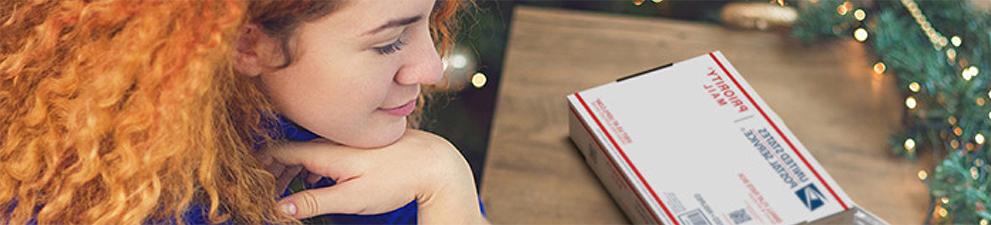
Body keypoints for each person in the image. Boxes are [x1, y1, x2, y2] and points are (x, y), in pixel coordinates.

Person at [0, 0, 487, 224]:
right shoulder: (119, 205)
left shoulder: (291, 111)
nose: (429, 67)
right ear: (245, 43)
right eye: (387, 43)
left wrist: (443, 180)